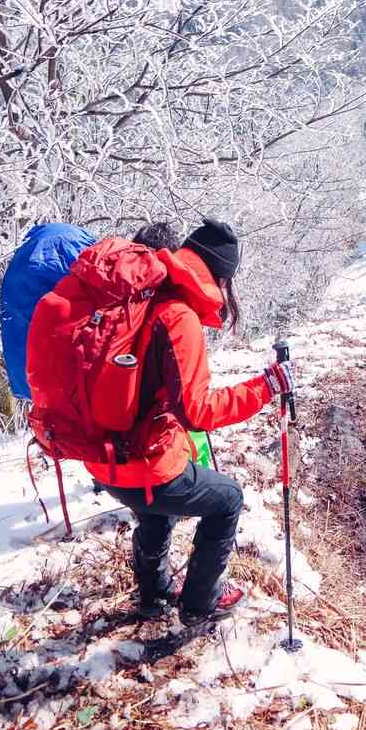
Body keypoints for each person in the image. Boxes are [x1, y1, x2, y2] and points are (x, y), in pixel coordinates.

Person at [85, 218, 295, 624]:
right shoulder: (178, 315)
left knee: (155, 507)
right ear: (220, 275)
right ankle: (201, 603)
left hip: (105, 461)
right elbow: (198, 412)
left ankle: (154, 595)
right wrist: (266, 387)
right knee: (227, 500)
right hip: (142, 467)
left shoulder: (141, 299)